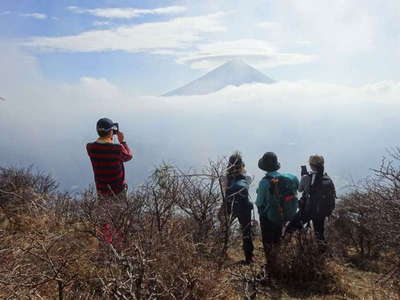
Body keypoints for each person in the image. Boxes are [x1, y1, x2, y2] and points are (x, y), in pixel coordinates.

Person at [256, 152, 299, 274]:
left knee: (268, 241)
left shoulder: (264, 182)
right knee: (278, 240)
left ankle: (271, 266)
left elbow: (259, 203)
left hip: (269, 217)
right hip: (285, 215)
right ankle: (279, 262)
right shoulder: (290, 178)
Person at [87, 118, 133, 198]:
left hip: (101, 190)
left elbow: (103, 149)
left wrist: (110, 138)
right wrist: (122, 142)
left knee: (103, 210)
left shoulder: (90, 147)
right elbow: (128, 156)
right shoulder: (117, 149)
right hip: (118, 191)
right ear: (110, 131)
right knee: (121, 210)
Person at [222, 152, 254, 264]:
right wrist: (242, 170)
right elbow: (247, 183)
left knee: (225, 230)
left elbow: (225, 190)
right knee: (246, 232)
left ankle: (223, 253)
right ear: (242, 165)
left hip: (230, 206)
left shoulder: (225, 177)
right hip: (245, 207)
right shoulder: (247, 176)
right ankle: (249, 258)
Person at [298, 155, 336, 242]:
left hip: (309, 209)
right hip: (322, 210)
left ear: (311, 165)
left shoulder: (307, 177)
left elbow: (300, 190)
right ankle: (321, 250)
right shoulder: (327, 178)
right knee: (319, 232)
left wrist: (303, 177)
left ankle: (298, 246)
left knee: (293, 225)